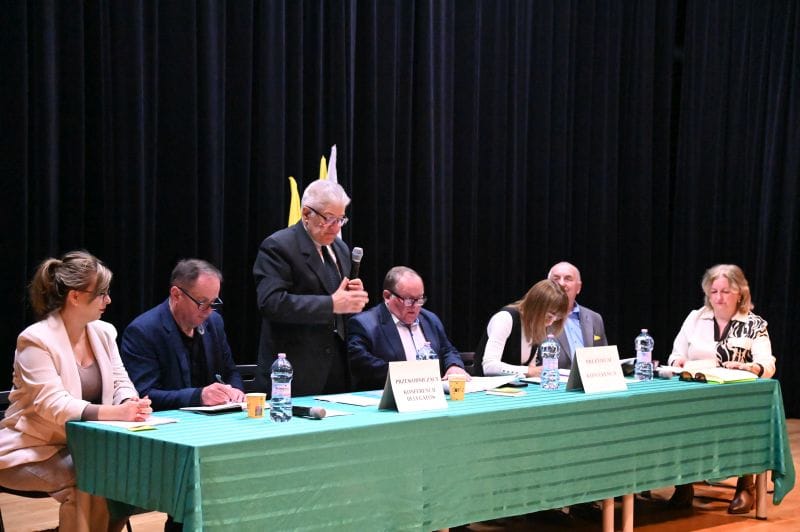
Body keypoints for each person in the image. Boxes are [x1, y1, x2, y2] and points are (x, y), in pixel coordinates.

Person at [0, 251, 151, 532]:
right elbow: (53, 404)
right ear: (76, 296)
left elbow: (120, 381)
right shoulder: (35, 340)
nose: (108, 300)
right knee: (87, 479)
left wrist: (131, 402)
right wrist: (116, 413)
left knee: (125, 477)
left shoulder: (104, 332)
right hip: (32, 447)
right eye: (102, 293)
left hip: (83, 446)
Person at [667, 264, 775, 512]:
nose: (718, 298)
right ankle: (683, 484)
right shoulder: (695, 318)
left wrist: (750, 367)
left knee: (747, 419)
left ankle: (746, 485)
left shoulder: (754, 324)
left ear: (740, 293)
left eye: (725, 291)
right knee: (676, 417)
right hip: (695, 394)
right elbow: (675, 354)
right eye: (714, 291)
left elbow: (767, 364)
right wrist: (678, 361)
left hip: (735, 398)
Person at [253, 179, 369, 396]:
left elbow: (338, 301)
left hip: (339, 366)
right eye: (329, 219)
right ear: (307, 214)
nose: (336, 227)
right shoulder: (278, 246)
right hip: (296, 370)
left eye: (341, 219)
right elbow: (271, 303)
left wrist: (352, 298)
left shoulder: (340, 248)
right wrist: (331, 304)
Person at [121, 259, 245, 411]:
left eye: (213, 302)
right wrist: (199, 396)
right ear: (176, 295)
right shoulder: (143, 331)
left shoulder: (214, 322)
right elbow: (145, 394)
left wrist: (235, 391)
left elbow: (230, 371)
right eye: (202, 302)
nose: (208, 311)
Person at [347, 266, 469, 390]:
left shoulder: (430, 319)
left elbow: (447, 349)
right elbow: (362, 364)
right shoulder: (364, 324)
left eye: (420, 299)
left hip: (430, 394)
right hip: (385, 396)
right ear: (387, 296)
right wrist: (408, 375)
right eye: (409, 300)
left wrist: (454, 366)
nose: (415, 306)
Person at [476, 279, 569, 377]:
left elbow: (532, 369)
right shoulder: (505, 318)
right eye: (549, 316)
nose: (551, 323)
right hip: (486, 384)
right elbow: (489, 367)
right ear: (536, 306)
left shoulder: (536, 325)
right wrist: (529, 371)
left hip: (515, 385)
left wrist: (536, 372)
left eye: (556, 318)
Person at [547, 261, 608, 366]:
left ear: (578, 288)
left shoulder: (594, 318)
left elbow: (605, 360)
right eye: (556, 279)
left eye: (568, 279)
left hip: (589, 375)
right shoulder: (538, 316)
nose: (561, 283)